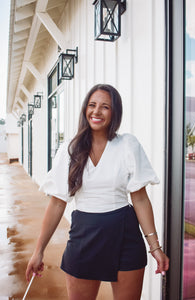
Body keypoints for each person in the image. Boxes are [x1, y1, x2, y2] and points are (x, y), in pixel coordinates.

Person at [26, 84, 169, 300]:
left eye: (105, 107)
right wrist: (39, 251)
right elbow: (57, 203)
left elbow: (139, 199)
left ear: (115, 113)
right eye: (92, 105)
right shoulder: (70, 150)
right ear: (85, 109)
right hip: (85, 236)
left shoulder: (127, 145)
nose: (97, 111)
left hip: (125, 235)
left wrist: (155, 247)